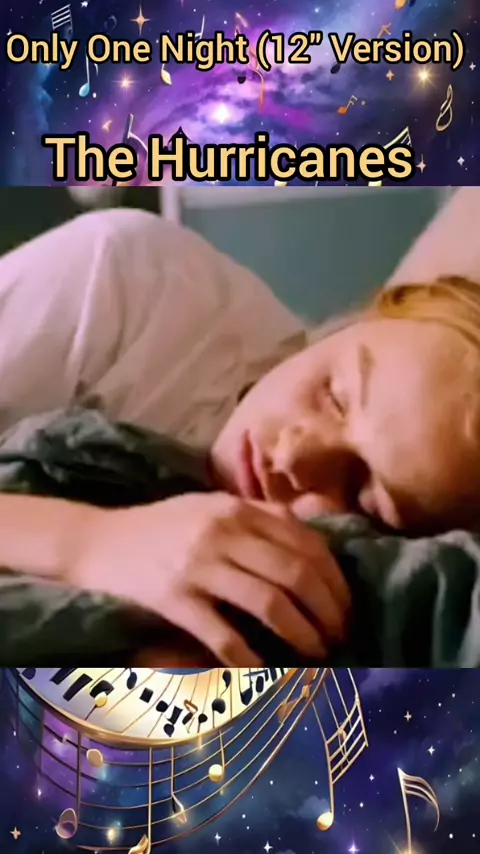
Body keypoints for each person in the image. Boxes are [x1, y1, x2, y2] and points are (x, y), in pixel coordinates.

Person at [1, 208, 480, 666]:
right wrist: (89, 541)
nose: (293, 458)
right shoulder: (128, 283)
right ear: (355, 323)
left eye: (359, 494)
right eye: (332, 396)